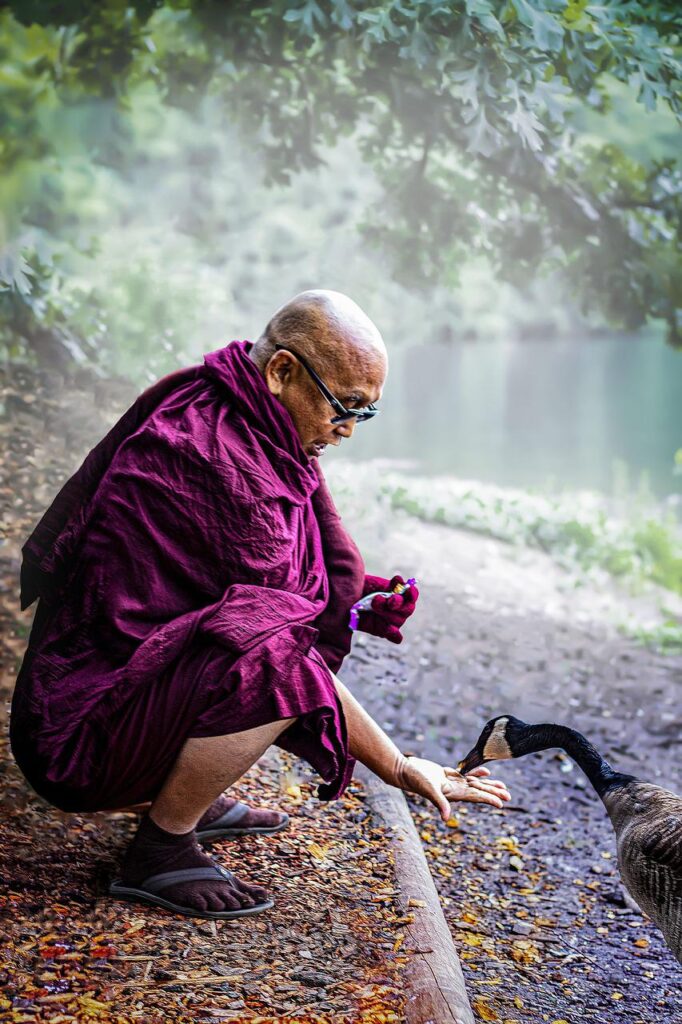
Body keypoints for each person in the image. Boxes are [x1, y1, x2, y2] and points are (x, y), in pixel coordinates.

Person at [10, 289, 510, 920]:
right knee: (275, 664)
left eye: (367, 412)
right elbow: (279, 640)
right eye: (345, 408)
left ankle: (181, 787)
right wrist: (399, 765)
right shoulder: (212, 455)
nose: (349, 430)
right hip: (78, 733)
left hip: (119, 691)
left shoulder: (237, 410)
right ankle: (161, 850)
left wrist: (351, 599)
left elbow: (225, 581)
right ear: (281, 372)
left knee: (273, 641)